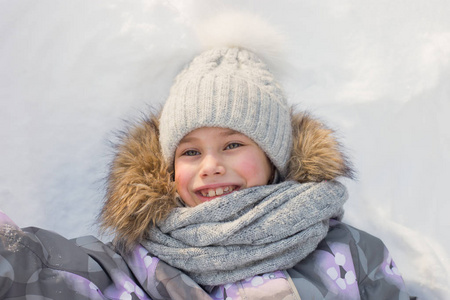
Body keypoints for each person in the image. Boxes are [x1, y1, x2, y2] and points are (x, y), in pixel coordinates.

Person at [0, 26, 415, 300]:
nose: (210, 166)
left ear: (274, 158)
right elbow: (45, 272)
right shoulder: (139, 260)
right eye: (191, 152)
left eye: (233, 144)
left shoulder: (348, 249)